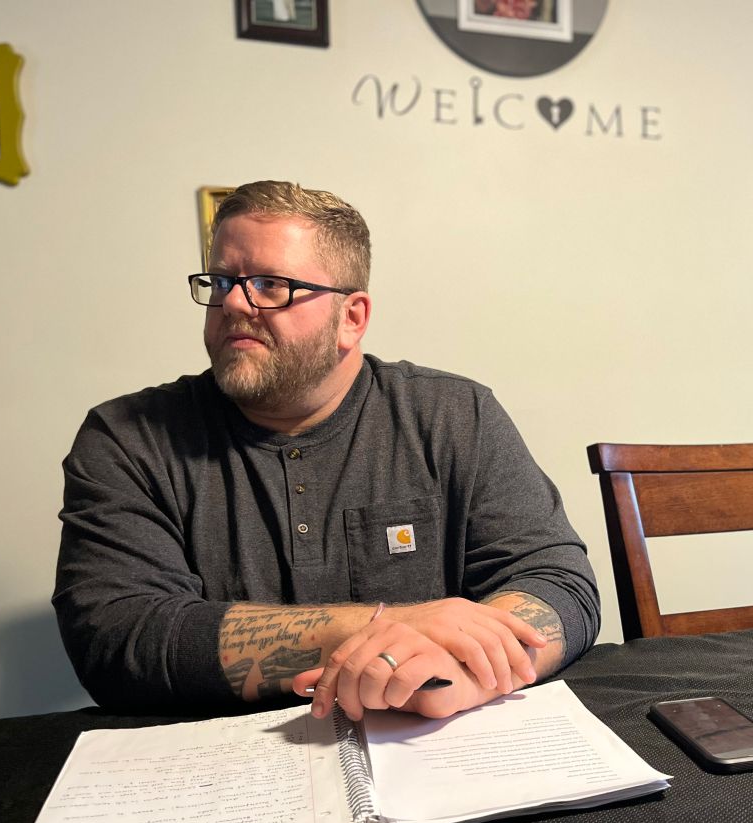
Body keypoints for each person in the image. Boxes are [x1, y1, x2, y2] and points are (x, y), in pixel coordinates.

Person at [54, 180, 600, 723]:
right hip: (220, 770)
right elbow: (118, 637)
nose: (234, 305)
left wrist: (458, 671)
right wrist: (387, 628)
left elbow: (556, 581)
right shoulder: (127, 437)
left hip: (427, 744)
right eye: (221, 281)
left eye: (271, 284)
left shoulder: (456, 414)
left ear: (352, 317)